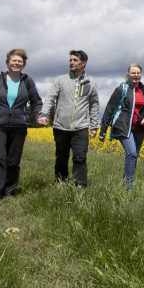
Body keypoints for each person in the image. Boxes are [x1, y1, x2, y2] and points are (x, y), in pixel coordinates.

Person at [0, 48, 42, 203]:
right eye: (14, 60)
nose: (16, 63)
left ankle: (9, 190)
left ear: (23, 64)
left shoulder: (28, 81)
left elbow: (37, 102)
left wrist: (39, 115)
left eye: (20, 61)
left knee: (13, 161)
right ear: (8, 62)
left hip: (19, 127)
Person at [36, 50, 100, 188]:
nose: (71, 62)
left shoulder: (91, 82)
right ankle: (61, 183)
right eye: (70, 60)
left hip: (81, 127)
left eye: (75, 60)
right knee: (61, 157)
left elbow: (94, 104)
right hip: (60, 127)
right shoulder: (60, 80)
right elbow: (51, 98)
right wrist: (43, 114)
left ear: (83, 63)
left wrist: (94, 126)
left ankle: (80, 186)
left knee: (80, 157)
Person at [98, 64, 144, 191]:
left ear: (141, 74)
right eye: (133, 73)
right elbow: (109, 109)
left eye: (138, 73)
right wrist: (102, 131)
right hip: (123, 126)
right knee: (132, 153)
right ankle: (129, 188)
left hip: (139, 128)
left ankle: (127, 182)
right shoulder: (121, 89)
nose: (136, 75)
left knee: (134, 156)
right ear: (128, 74)